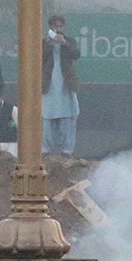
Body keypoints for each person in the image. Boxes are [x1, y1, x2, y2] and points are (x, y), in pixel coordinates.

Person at [42, 15, 81, 157]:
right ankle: (44, 150)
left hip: (66, 85)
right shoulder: (43, 42)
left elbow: (76, 55)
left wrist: (64, 43)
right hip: (48, 85)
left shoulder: (70, 41)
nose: (57, 29)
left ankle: (67, 150)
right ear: (50, 27)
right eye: (54, 26)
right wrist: (48, 45)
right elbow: (38, 58)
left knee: (68, 117)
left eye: (60, 26)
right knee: (46, 118)